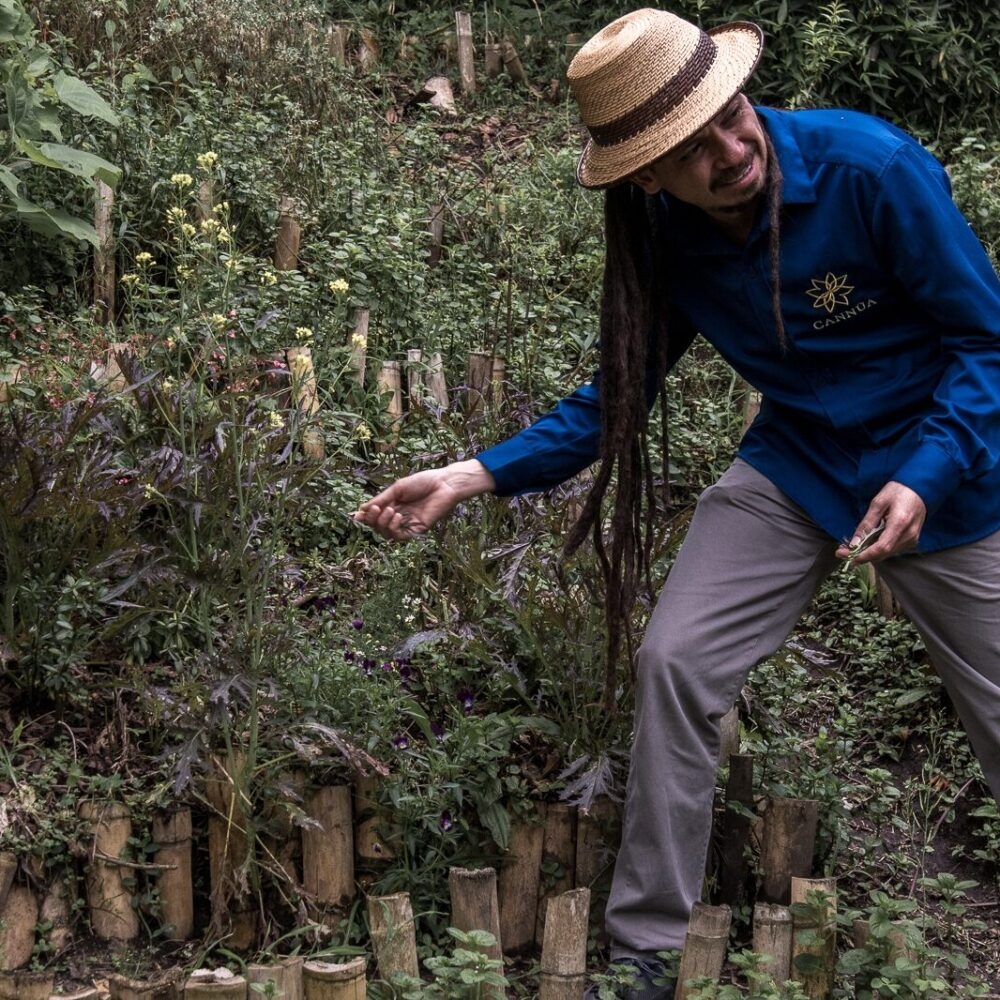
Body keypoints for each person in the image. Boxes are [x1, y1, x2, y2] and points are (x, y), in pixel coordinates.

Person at [355, 8, 1000, 997]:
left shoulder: (871, 171)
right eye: (691, 151)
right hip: (799, 466)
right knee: (673, 660)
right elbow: (617, 395)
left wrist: (925, 472)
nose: (730, 151)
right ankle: (649, 952)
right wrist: (471, 475)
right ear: (646, 175)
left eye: (733, 118)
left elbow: (984, 344)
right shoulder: (664, 235)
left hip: (951, 476)